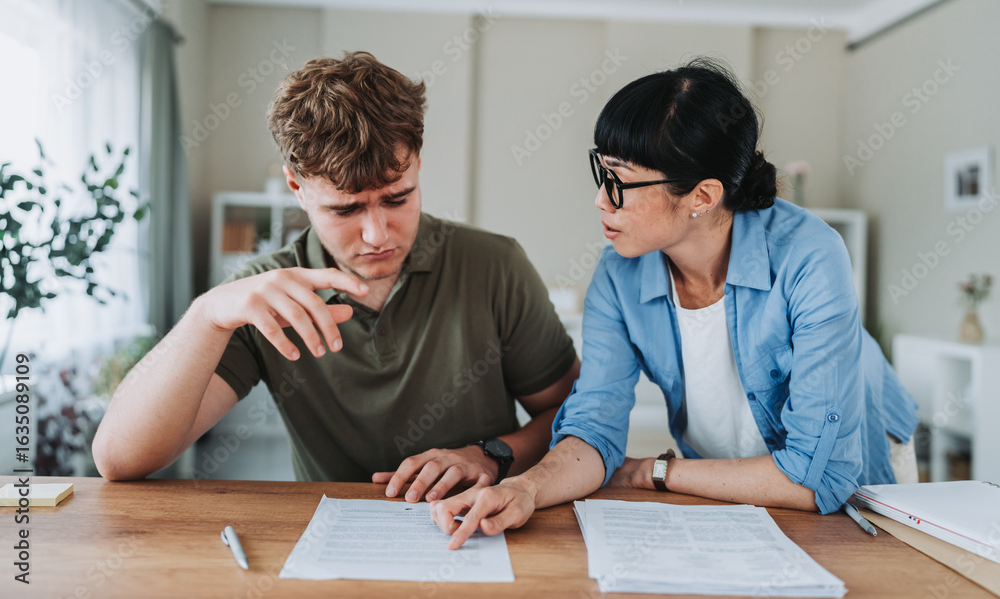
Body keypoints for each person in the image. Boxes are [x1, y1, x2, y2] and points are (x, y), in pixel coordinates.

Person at [430, 58, 919, 548]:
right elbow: (593, 424)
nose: (601, 199)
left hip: (857, 475)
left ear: (702, 196)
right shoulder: (619, 274)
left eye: (620, 181)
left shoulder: (810, 255)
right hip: (733, 482)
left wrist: (653, 472)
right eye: (601, 173)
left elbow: (821, 479)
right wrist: (525, 488)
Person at [92, 52, 579, 502]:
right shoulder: (265, 294)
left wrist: (491, 455)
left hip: (479, 525)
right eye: (345, 209)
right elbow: (120, 460)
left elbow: (572, 415)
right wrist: (206, 315)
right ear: (296, 189)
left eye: (397, 198)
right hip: (333, 541)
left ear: (417, 166)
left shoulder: (493, 265)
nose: (376, 234)